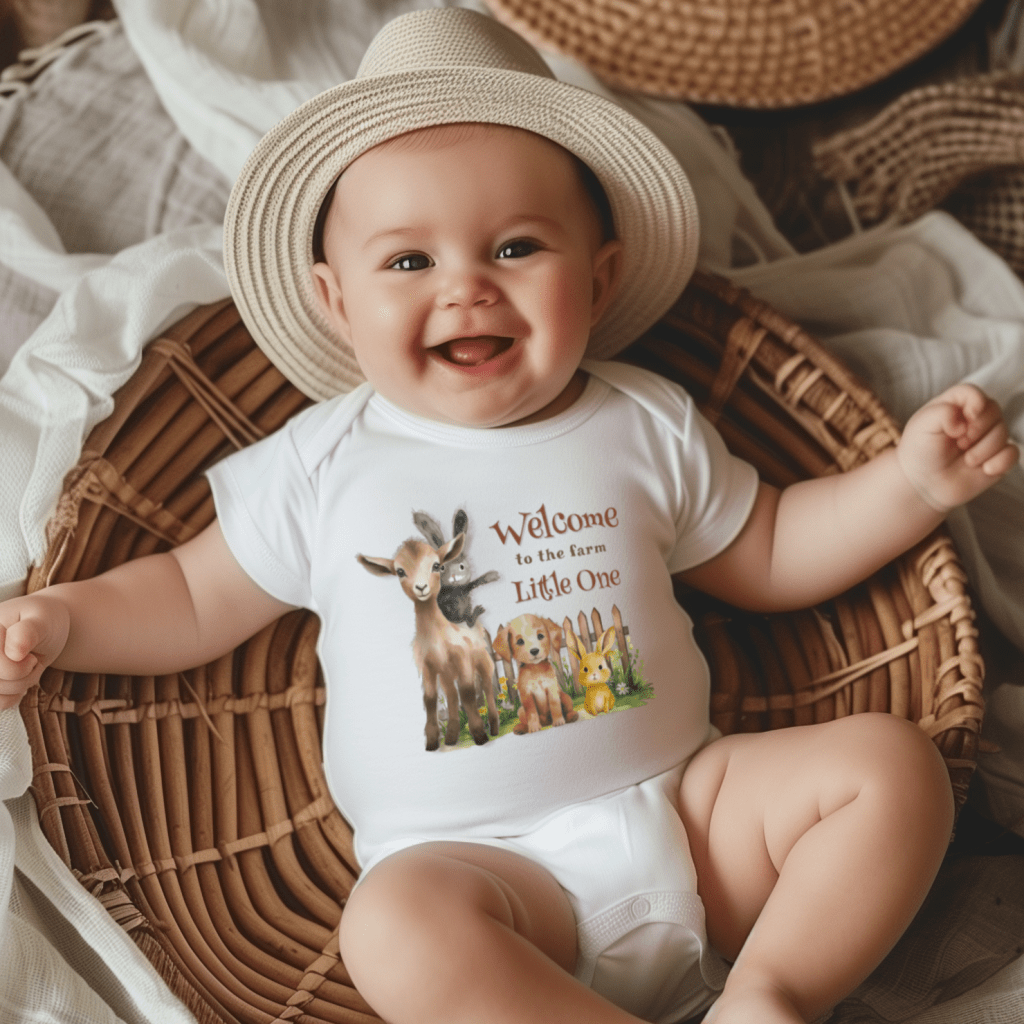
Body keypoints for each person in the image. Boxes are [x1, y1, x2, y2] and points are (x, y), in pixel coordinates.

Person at [0, 9, 1017, 1024]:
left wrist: (911, 484)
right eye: (408, 263)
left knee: (889, 767)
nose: (467, 288)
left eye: (517, 246)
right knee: (390, 927)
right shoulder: (322, 462)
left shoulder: (643, 420)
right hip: (481, 879)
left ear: (599, 273)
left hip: (694, 818)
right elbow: (187, 593)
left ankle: (769, 993)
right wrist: (65, 619)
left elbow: (772, 549)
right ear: (334, 301)